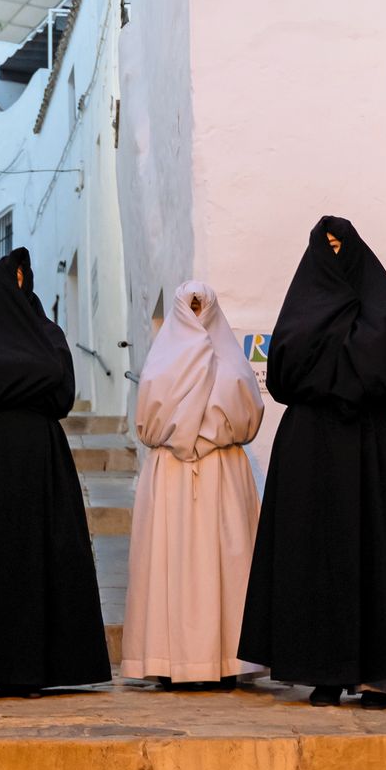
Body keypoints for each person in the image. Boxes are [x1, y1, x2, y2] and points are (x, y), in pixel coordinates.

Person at [237, 216, 386, 709]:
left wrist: (336, 368)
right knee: (313, 555)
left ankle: (377, 676)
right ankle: (321, 672)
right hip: (310, 449)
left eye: (340, 246)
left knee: (375, 552)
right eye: (324, 246)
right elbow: (283, 372)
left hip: (370, 446)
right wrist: (349, 363)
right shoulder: (300, 309)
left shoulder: (381, 308)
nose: (333, 254)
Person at [0, 247, 111, 706]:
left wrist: (4, 386)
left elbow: (62, 391)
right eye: (15, 277)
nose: (21, 285)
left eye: (26, 277)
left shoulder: (48, 332)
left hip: (38, 460)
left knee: (34, 558)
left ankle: (29, 669)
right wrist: (31, 382)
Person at [121, 281, 265, 690]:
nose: (198, 314)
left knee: (226, 565)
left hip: (220, 473)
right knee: (173, 565)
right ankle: (169, 660)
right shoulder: (161, 362)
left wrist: (197, 436)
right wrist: (193, 436)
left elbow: (247, 410)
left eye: (203, 306)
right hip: (175, 473)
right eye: (191, 307)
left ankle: (227, 659)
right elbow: (150, 416)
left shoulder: (232, 360)